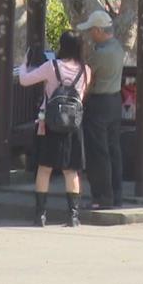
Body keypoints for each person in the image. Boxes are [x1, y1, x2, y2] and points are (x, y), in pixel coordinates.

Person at [18, 31, 91, 227]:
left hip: (48, 124)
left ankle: (40, 215)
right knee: (71, 171)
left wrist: (24, 63)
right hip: (73, 126)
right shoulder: (86, 70)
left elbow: (24, 80)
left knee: (44, 169)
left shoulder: (52, 66)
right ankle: (73, 216)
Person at [77, 10, 126, 209]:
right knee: (114, 149)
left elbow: (87, 77)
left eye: (91, 30)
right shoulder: (118, 48)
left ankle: (102, 196)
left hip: (99, 103)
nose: (89, 34)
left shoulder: (100, 54)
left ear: (98, 30)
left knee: (98, 152)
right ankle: (116, 194)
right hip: (115, 101)